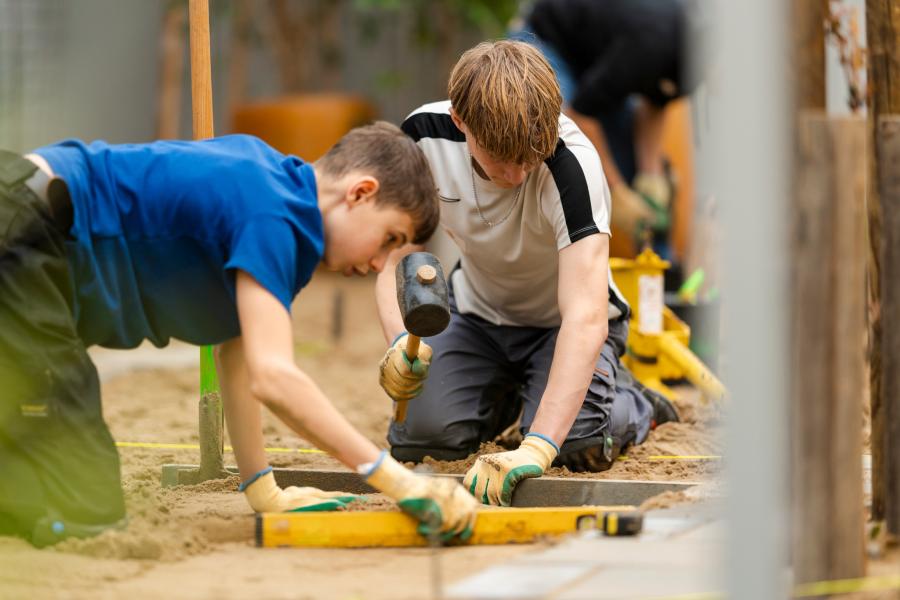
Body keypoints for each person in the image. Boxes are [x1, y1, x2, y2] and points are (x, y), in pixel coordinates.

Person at [0, 122, 477, 546]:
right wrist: (397, 480)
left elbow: (240, 353)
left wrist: (261, 487)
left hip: (27, 238)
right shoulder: (275, 213)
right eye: (389, 239)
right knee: (86, 511)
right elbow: (275, 378)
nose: (378, 264)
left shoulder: (279, 197)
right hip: (23, 230)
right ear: (359, 192)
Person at [376, 41, 679, 507]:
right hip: (476, 316)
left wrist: (537, 447)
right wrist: (398, 340)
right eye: (502, 157)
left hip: (562, 327)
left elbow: (584, 318)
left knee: (576, 448)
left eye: (529, 157)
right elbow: (395, 253)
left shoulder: (574, 165)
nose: (517, 175)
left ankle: (635, 403)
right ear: (461, 121)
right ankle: (512, 396)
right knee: (424, 441)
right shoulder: (421, 137)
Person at [512, 0, 703, 247]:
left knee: (628, 163)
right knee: (562, 147)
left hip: (603, 60)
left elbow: (656, 102)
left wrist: (650, 174)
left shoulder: (692, 63)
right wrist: (617, 190)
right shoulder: (653, 46)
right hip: (549, 40)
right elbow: (580, 115)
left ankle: (658, 272)